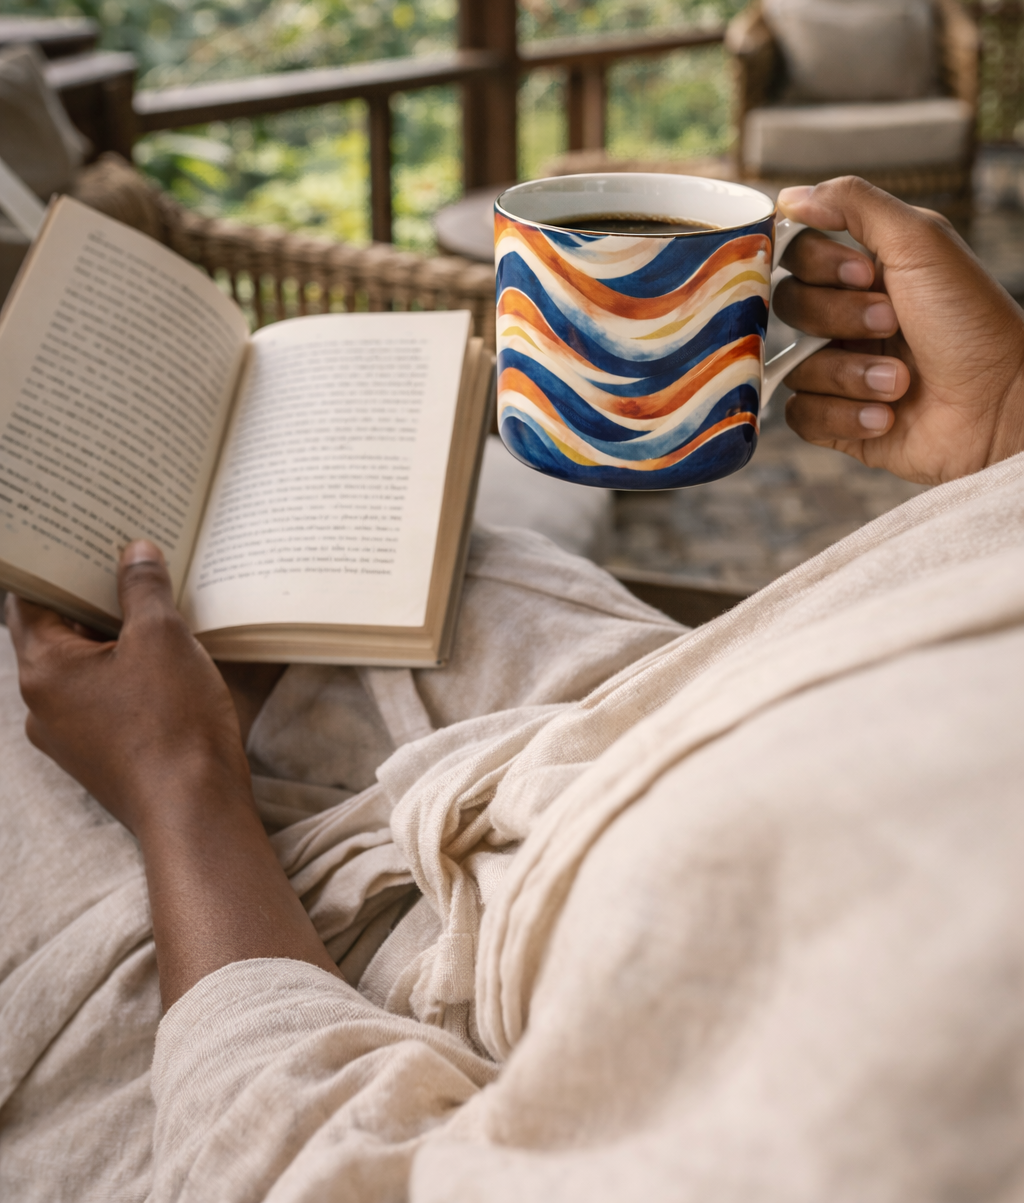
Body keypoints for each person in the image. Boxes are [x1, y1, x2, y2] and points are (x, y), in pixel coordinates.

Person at [2, 176, 1023, 1202]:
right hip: (683, 705)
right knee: (462, 566)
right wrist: (1006, 431)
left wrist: (181, 784)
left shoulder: (939, 1088)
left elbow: (312, 1173)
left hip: (513, 875)